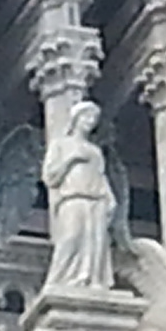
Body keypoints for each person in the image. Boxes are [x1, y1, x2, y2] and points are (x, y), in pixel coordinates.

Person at [42, 101, 115, 292]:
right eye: (86, 117)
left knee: (96, 241)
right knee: (71, 237)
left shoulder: (95, 151)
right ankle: (57, 279)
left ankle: (92, 279)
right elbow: (50, 176)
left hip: (96, 199)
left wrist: (110, 197)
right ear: (75, 119)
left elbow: (100, 175)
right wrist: (71, 160)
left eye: (93, 119)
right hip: (72, 198)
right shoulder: (60, 145)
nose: (90, 122)